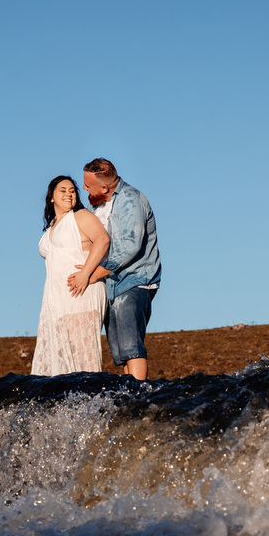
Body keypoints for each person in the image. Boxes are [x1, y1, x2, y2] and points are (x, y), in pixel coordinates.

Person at [74, 158, 161, 381]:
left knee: (132, 346)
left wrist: (92, 274)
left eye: (88, 185)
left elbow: (130, 246)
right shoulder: (97, 205)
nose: (84, 188)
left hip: (134, 280)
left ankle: (139, 393)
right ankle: (129, 393)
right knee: (122, 353)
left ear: (104, 187)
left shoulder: (131, 200)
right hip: (111, 284)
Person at [30, 175, 110, 376]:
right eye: (63, 190)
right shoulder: (51, 226)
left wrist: (85, 273)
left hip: (81, 291)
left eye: (72, 191)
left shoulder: (81, 216)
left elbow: (103, 240)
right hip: (57, 299)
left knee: (84, 354)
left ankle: (91, 393)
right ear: (51, 197)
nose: (69, 194)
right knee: (62, 357)